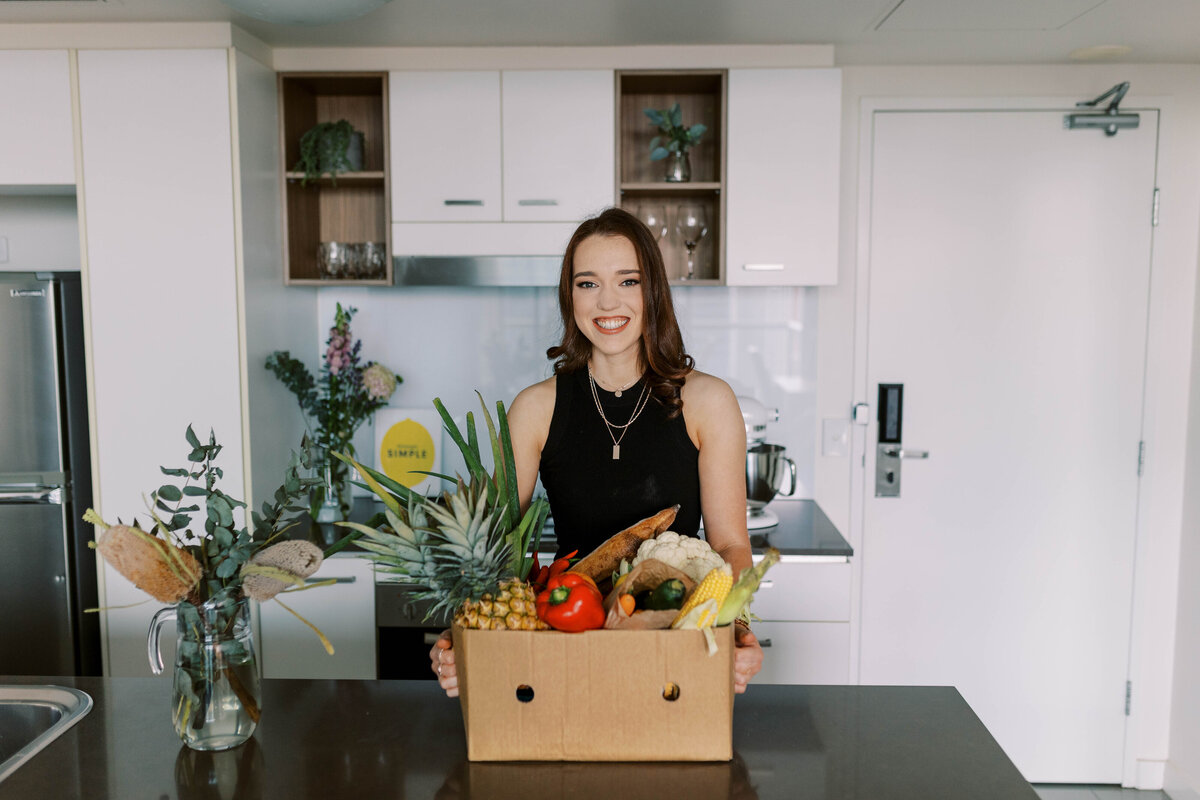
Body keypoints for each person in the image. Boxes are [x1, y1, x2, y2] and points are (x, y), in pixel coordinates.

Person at [430, 206, 764, 694]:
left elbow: (731, 545)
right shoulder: (534, 409)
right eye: (587, 284)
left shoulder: (708, 402)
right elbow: (492, 549)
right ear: (570, 297)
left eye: (627, 281)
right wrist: (457, 638)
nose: (608, 302)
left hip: (674, 651)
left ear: (652, 291)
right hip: (563, 641)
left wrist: (740, 630)